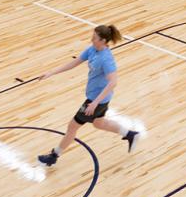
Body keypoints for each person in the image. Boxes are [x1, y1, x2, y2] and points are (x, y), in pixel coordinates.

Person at [38, 24, 140, 166]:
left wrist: (95, 103)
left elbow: (113, 82)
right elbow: (74, 63)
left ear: (103, 41)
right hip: (98, 99)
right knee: (99, 123)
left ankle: (54, 156)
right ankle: (130, 134)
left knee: (72, 127)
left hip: (96, 100)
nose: (92, 39)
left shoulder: (106, 59)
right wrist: (51, 72)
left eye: (95, 38)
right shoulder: (92, 50)